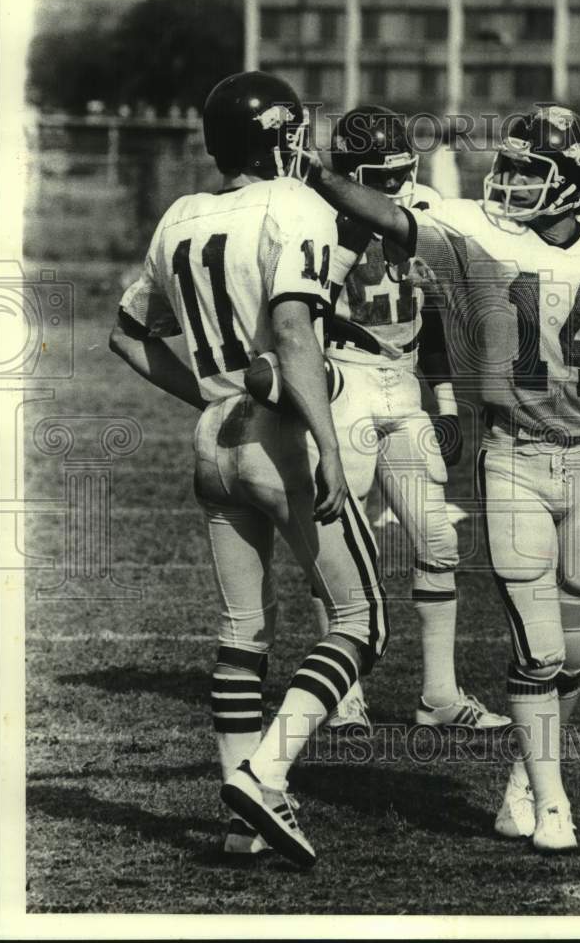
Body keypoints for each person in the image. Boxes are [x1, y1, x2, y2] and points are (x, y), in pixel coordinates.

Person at [303, 103, 580, 852]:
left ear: (573, 182)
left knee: (575, 652)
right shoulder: (476, 233)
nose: (508, 180)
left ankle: (525, 778)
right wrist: (316, 174)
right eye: (508, 163)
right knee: (539, 648)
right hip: (513, 455)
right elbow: (386, 215)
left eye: (528, 169)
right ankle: (555, 804)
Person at [110, 71, 388, 867]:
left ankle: (240, 823)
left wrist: (204, 391)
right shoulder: (296, 205)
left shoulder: (179, 217)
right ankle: (264, 777)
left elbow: (127, 334)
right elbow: (293, 328)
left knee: (242, 632)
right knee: (360, 622)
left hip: (214, 437)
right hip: (279, 438)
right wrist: (329, 443)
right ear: (280, 137)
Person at [314, 104, 508, 733]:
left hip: (404, 384)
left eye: (403, 170)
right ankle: (341, 692)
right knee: (342, 541)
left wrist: (446, 401)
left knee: (438, 541)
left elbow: (433, 321)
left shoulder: (420, 208)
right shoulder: (313, 217)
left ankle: (438, 694)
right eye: (382, 173)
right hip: (342, 379)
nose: (397, 185)